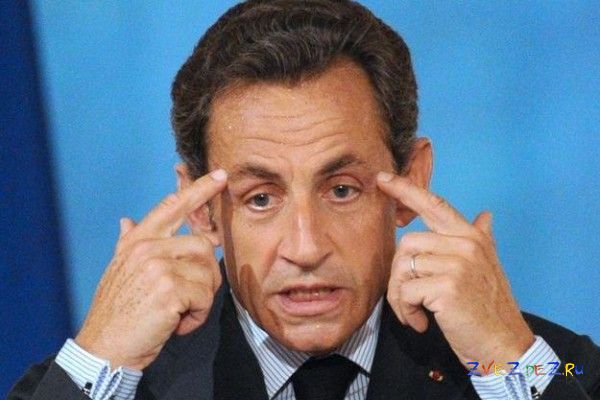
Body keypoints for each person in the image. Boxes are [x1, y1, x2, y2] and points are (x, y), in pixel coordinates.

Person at [9, 1, 600, 399]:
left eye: (341, 190)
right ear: (201, 210)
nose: (306, 247)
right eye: (260, 198)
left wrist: (507, 361)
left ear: (411, 183)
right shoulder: (117, 379)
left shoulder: (548, 365)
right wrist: (101, 361)